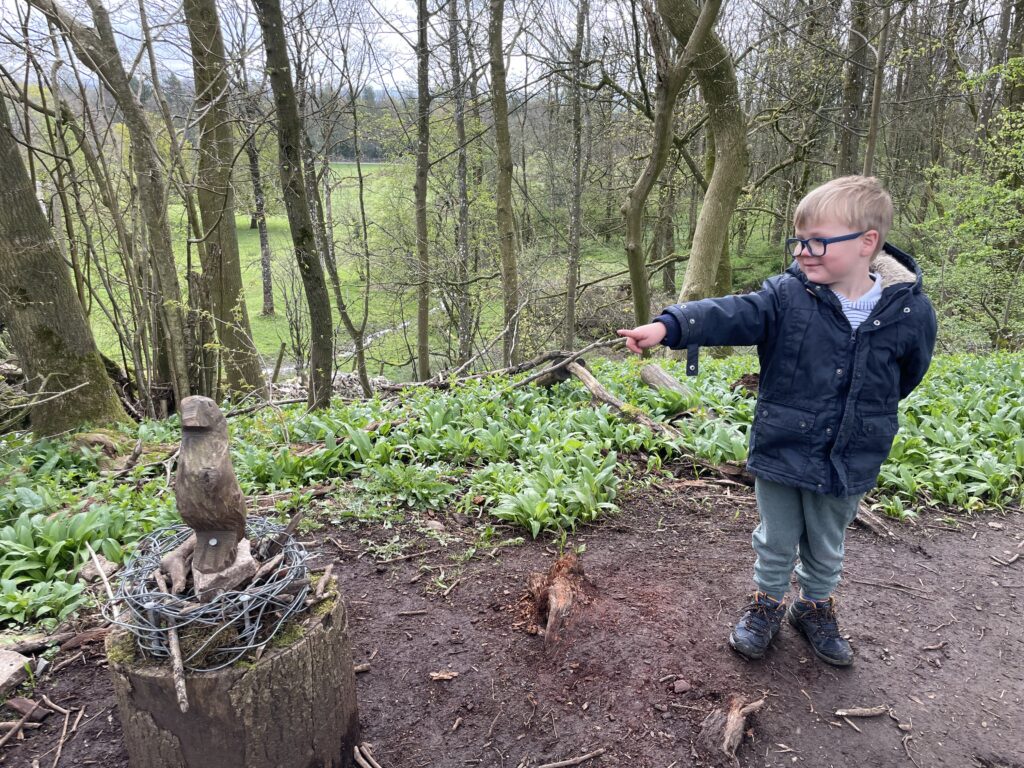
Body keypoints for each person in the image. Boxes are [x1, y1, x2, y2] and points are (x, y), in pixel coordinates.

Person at [617, 176, 937, 666]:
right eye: (799, 240)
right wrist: (669, 326)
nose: (804, 252)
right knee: (776, 537)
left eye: (818, 242)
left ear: (867, 243)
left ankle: (813, 608)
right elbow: (732, 313)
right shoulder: (787, 296)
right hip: (783, 444)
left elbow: (907, 375)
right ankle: (766, 604)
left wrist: (865, 417)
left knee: (827, 542)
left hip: (851, 453)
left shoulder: (910, 311)